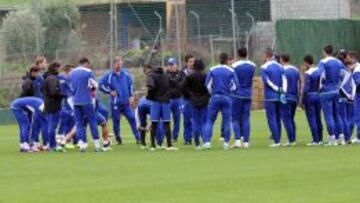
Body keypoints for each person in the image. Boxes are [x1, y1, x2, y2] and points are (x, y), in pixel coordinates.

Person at [99, 57, 140, 145]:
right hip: (115, 104)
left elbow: (131, 85)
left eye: (121, 64)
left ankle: (138, 137)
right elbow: (100, 85)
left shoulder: (126, 74)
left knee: (132, 118)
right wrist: (109, 92)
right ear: (114, 64)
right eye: (118, 64)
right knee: (116, 121)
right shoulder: (109, 75)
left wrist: (131, 96)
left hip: (126, 103)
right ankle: (118, 138)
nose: (120, 65)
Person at [203, 53, 239, 150]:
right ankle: (226, 143)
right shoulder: (231, 70)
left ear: (219, 59)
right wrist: (229, 90)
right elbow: (235, 86)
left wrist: (212, 93)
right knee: (227, 121)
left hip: (215, 97)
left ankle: (207, 142)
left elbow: (207, 85)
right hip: (226, 98)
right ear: (227, 60)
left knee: (210, 120)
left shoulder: (212, 69)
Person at [318, 45, 350, 146]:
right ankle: (341, 138)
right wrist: (341, 85)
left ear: (324, 52)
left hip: (326, 92)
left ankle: (332, 139)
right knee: (337, 115)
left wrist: (320, 86)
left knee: (328, 116)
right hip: (336, 91)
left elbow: (321, 75)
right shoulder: (338, 62)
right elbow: (347, 74)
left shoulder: (323, 62)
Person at [69, 57, 101, 152]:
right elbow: (95, 85)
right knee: (92, 121)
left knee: (79, 123)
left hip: (75, 101)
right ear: (86, 63)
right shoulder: (88, 71)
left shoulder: (72, 73)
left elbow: (71, 88)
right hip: (86, 100)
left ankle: (82, 145)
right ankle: (97, 145)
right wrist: (91, 89)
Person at [146, 65, 177, 151]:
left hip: (155, 102)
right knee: (167, 124)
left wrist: (149, 96)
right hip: (166, 102)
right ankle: (169, 145)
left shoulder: (152, 76)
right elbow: (175, 83)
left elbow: (150, 86)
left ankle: (152, 145)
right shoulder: (167, 76)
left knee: (154, 124)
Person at [260, 48, 287, 147]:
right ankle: (278, 139)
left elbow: (267, 81)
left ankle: (276, 141)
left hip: (270, 96)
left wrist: (276, 88)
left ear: (266, 55)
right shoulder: (280, 66)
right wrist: (283, 90)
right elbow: (284, 79)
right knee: (278, 118)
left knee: (271, 118)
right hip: (280, 95)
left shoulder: (264, 67)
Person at [231, 48, 256, 148]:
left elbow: (232, 80)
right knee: (246, 118)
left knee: (235, 118)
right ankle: (246, 142)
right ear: (247, 53)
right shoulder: (253, 65)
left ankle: (237, 140)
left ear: (238, 54)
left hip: (237, 93)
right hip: (248, 93)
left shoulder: (234, 66)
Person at [182, 59, 210, 149]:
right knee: (205, 122)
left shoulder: (190, 76)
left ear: (194, 66)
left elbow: (183, 87)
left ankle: (197, 143)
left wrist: (189, 95)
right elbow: (210, 86)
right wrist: (208, 95)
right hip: (205, 100)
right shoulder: (206, 76)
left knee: (195, 121)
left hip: (194, 101)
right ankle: (206, 141)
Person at [302, 55, 324, 146]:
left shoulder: (308, 73)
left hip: (310, 96)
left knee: (312, 118)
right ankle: (320, 139)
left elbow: (306, 88)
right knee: (318, 117)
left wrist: (302, 100)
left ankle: (315, 140)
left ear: (306, 62)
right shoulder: (319, 71)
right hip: (318, 95)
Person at [43, 62, 64, 150]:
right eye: (59, 68)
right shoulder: (52, 78)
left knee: (51, 125)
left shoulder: (48, 77)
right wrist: (63, 94)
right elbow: (53, 92)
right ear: (55, 68)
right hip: (53, 104)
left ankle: (50, 144)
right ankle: (53, 145)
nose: (60, 70)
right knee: (52, 126)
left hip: (49, 103)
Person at [280, 54, 300, 146]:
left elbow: (284, 83)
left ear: (282, 59)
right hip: (294, 97)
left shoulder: (282, 70)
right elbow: (299, 84)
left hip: (286, 96)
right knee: (291, 119)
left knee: (287, 119)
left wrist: (282, 94)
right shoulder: (296, 70)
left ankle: (290, 140)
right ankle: (293, 138)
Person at [338, 60, 356, 145]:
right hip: (350, 98)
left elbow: (341, 86)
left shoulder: (343, 73)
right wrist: (352, 95)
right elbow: (354, 85)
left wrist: (348, 95)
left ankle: (345, 137)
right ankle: (348, 137)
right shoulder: (350, 73)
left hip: (342, 97)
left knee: (343, 118)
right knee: (349, 118)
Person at [180, 54, 195, 145]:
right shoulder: (182, 73)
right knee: (186, 119)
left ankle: (196, 136)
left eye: (193, 61)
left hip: (196, 99)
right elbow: (180, 85)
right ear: (186, 63)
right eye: (190, 61)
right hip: (186, 99)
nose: (192, 63)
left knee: (196, 119)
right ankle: (187, 138)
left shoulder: (198, 72)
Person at [166, 58, 182, 142]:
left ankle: (175, 136)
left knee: (177, 119)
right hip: (168, 99)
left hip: (177, 99)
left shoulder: (180, 73)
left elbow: (181, 85)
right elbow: (167, 84)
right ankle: (167, 135)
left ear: (176, 65)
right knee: (166, 118)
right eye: (170, 65)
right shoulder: (165, 74)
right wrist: (175, 82)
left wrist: (173, 82)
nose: (171, 66)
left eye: (172, 64)